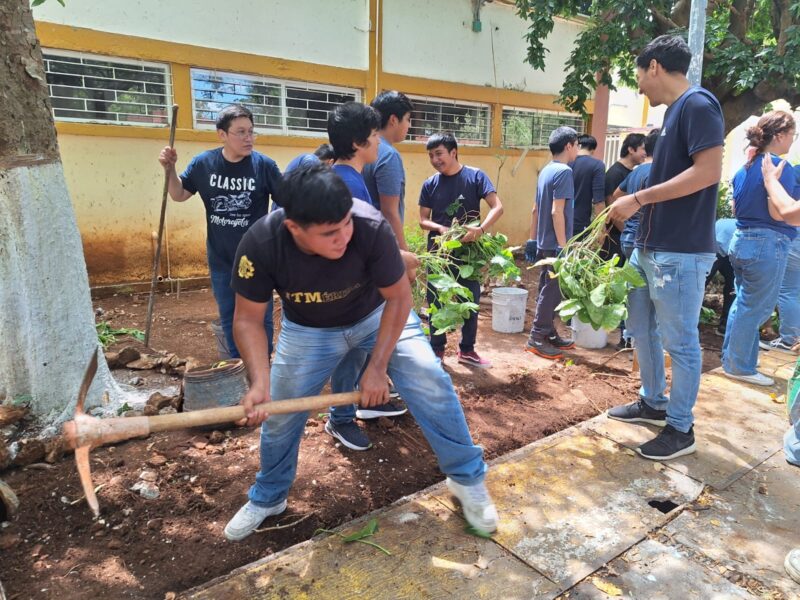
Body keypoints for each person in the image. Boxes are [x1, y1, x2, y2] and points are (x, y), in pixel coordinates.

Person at [222, 164, 497, 541]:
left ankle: (466, 479)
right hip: (308, 330)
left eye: (346, 224)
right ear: (294, 229)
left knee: (429, 379)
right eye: (329, 233)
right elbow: (248, 320)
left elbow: (400, 298)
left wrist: (377, 367)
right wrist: (260, 381)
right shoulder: (262, 244)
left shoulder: (369, 226)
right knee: (281, 413)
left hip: (376, 315)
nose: (344, 237)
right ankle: (269, 496)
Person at [606, 35, 724, 461]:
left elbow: (708, 172)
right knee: (639, 328)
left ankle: (680, 427)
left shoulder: (697, 104)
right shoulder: (674, 112)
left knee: (681, 342)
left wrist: (637, 198)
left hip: (681, 250)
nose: (638, 85)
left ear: (653, 66)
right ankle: (652, 402)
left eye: (638, 75)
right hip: (649, 246)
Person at [158, 105, 280, 359]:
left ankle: (262, 363)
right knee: (228, 314)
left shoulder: (265, 166)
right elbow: (179, 194)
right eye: (240, 132)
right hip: (222, 258)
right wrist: (169, 170)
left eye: (251, 132)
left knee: (260, 316)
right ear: (221, 135)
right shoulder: (204, 164)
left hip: (257, 259)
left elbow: (286, 203)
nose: (248, 138)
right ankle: (237, 364)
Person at [324, 102, 407, 451]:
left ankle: (360, 404)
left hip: (349, 291)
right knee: (350, 354)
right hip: (348, 294)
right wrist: (402, 261)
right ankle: (340, 418)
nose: (379, 142)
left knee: (358, 352)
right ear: (358, 143)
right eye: (374, 136)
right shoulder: (351, 188)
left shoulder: (346, 178)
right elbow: (358, 252)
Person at [722, 111, 797, 386]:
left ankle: (737, 360)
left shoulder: (746, 165)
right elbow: (779, 214)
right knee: (755, 308)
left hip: (741, 239)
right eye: (792, 134)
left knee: (744, 303)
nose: (793, 140)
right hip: (767, 244)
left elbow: (735, 206)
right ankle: (739, 366)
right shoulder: (778, 167)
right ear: (779, 136)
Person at [419, 133, 505, 367]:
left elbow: (497, 207)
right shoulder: (430, 183)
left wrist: (481, 229)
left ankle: (467, 349)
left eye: (439, 153)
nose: (435, 159)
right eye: (431, 155)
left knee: (470, 299)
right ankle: (437, 349)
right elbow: (422, 219)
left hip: (468, 253)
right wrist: (440, 228)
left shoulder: (475, 176)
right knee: (436, 300)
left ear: (453, 152)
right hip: (439, 252)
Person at [524, 126, 579, 360]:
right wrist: (563, 245)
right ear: (569, 145)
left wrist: (532, 238)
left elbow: (536, 208)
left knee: (549, 287)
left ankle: (548, 332)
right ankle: (537, 336)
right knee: (552, 289)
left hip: (545, 241)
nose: (577, 149)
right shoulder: (564, 171)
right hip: (555, 243)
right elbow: (558, 212)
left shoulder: (546, 171)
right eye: (577, 145)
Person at [612, 128, 660, 349]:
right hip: (645, 239)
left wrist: (629, 215)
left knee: (631, 289)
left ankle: (626, 335)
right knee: (646, 293)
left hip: (628, 238)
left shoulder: (636, 172)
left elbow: (617, 196)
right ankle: (638, 339)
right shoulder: (658, 173)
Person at [363, 91, 414, 250]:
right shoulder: (389, 155)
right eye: (407, 119)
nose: (409, 125)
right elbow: (390, 212)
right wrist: (404, 254)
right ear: (393, 120)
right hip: (382, 243)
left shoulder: (363, 147)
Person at [571, 134, 607, 236]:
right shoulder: (597, 165)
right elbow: (598, 201)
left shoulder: (565, 162)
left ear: (578, 146)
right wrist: (601, 229)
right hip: (580, 224)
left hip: (558, 220)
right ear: (593, 150)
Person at [706, 218, 737, 337]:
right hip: (715, 249)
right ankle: (725, 325)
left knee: (732, 287)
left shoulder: (725, 222)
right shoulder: (748, 227)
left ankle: (725, 325)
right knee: (732, 287)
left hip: (726, 251)